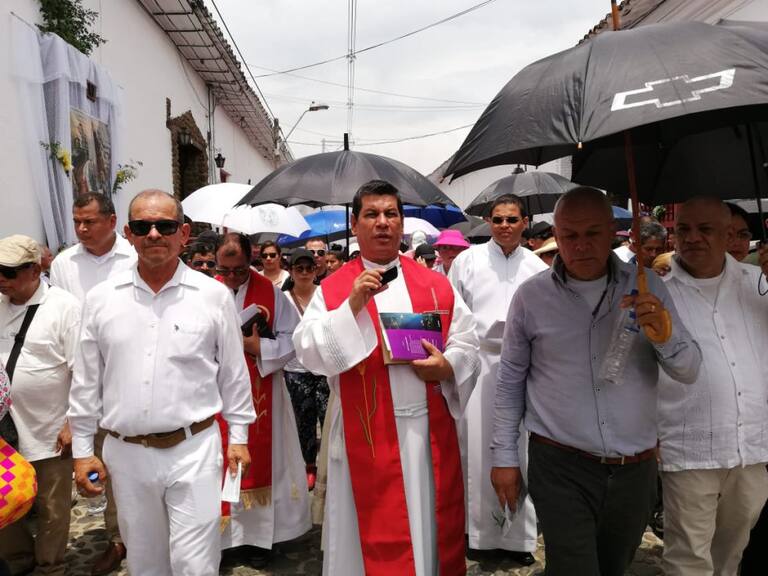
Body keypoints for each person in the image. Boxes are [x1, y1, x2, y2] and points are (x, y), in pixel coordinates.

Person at [491, 186, 701, 576]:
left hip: (633, 468)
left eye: (592, 233)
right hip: (560, 464)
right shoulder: (531, 297)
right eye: (570, 235)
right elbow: (510, 381)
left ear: (611, 231)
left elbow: (688, 370)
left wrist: (664, 336)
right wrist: (503, 457)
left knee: (613, 566)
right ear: (556, 234)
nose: (581, 245)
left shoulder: (648, 287)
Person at [293, 180, 479, 576]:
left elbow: (468, 342)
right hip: (364, 433)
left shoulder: (435, 284)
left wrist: (447, 366)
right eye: (371, 214)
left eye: (391, 214)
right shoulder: (334, 288)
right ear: (355, 225)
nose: (382, 223)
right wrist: (352, 305)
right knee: (364, 545)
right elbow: (307, 351)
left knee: (426, 530)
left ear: (401, 223)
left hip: (425, 434)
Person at [68, 190, 255, 575]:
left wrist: (239, 437)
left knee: (195, 564)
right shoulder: (102, 299)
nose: (154, 234)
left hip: (194, 449)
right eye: (142, 227)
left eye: (165, 226)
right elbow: (86, 381)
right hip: (127, 453)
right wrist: (83, 450)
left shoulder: (213, 296)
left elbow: (233, 374)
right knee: (145, 561)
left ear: (183, 234)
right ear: (129, 233)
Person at [657, 197, 768, 576]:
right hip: (689, 445)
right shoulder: (657, 291)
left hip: (751, 445)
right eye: (683, 229)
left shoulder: (758, 283)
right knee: (688, 557)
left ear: (728, 235)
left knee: (732, 552)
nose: (692, 238)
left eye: (704, 229)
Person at [448, 195, 547, 565]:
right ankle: (479, 535)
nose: (505, 226)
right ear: (488, 222)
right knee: (475, 448)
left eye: (512, 219)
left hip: (524, 367)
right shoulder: (467, 261)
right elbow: (452, 314)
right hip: (478, 364)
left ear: (525, 223)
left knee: (523, 448)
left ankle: (519, 539)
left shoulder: (536, 266)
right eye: (498, 219)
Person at [48, 191, 135, 575]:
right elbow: (63, 325)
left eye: (90, 222)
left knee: (134, 464)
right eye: (76, 222)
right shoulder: (64, 264)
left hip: (128, 376)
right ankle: (116, 538)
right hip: (84, 378)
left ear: (112, 222)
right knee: (100, 464)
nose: (81, 229)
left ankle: (142, 535)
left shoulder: (133, 257)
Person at [215, 233, 310, 569]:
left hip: (263, 391)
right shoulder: (207, 292)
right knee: (216, 465)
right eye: (224, 270)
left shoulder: (271, 293)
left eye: (239, 270)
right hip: (216, 395)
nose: (231, 277)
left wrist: (258, 348)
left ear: (250, 261)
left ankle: (259, 539)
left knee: (267, 460)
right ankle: (221, 540)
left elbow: (293, 339)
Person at [0, 235, 81, 576]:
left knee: (52, 506)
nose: (1, 278)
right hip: (5, 430)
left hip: (49, 429)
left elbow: (82, 371)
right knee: (4, 501)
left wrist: (72, 422)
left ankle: (50, 567)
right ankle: (18, 562)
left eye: (9, 271)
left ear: (35, 270)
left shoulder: (65, 307)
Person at [282, 249, 331, 491]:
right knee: (304, 421)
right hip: (295, 369)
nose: (304, 273)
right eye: (298, 268)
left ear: (316, 270)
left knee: (327, 418)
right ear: (291, 271)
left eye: (309, 268)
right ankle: (309, 464)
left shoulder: (324, 294)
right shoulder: (283, 299)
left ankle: (329, 467)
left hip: (323, 368)